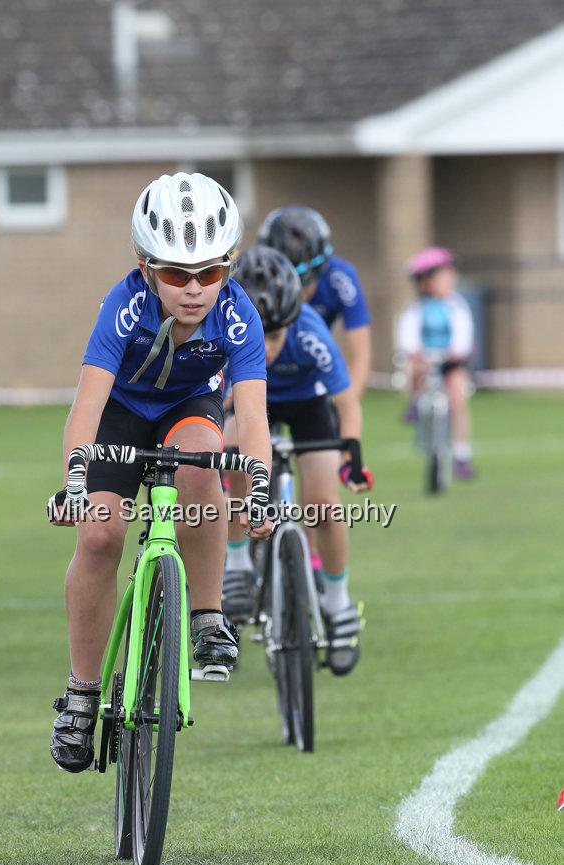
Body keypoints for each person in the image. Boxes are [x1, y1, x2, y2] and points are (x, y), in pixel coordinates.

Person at [47, 172, 273, 774]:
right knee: (99, 535)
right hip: (119, 414)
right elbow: (87, 407)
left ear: (228, 269)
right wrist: (76, 479)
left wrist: (259, 489)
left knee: (204, 468)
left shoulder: (237, 314)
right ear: (146, 268)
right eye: (177, 273)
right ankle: (82, 691)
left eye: (211, 272)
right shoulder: (122, 308)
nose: (195, 289)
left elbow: (251, 417)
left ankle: (206, 616)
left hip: (186, 408)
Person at [222, 245, 373, 676]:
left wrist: (352, 450)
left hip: (307, 405)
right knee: (234, 459)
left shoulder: (309, 332)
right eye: (258, 336)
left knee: (323, 504)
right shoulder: (223, 330)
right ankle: (235, 563)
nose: (265, 348)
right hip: (251, 405)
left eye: (274, 336)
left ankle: (338, 603)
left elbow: (346, 404)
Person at [257, 206, 372, 586]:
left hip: (314, 388)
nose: (294, 290)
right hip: (258, 390)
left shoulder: (340, 281)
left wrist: (344, 436)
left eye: (304, 280)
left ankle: (315, 572)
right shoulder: (252, 277)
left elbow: (358, 356)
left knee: (320, 500)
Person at [396, 247, 475, 479]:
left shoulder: (456, 306)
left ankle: (461, 455)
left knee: (457, 397)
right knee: (415, 370)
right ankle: (414, 403)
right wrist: (414, 352)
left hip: (449, 362)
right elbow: (407, 337)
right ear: (426, 281)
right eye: (443, 276)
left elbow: (463, 335)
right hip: (426, 360)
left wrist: (458, 352)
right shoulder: (416, 309)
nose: (449, 281)